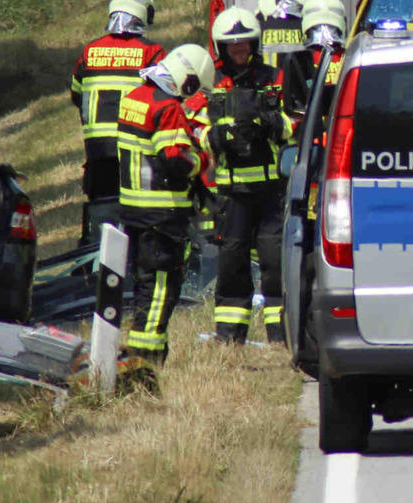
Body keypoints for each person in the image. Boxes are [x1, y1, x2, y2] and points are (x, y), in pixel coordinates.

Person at [190, 6, 295, 344]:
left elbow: (296, 122)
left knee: (274, 262)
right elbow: (193, 128)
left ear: (254, 44)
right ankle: (230, 335)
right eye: (232, 47)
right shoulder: (211, 83)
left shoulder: (274, 78)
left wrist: (271, 124)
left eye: (244, 45)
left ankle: (280, 334)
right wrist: (216, 138)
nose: (239, 52)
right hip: (232, 192)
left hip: (271, 191)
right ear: (221, 48)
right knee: (232, 264)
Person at [117, 43, 216, 364]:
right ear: (185, 79)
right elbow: (174, 158)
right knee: (162, 287)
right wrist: (201, 162)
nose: (190, 94)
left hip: (133, 209)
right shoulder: (167, 107)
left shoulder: (134, 97)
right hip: (162, 212)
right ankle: (147, 356)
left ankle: (139, 347)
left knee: (144, 283)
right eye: (192, 87)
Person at [71, 0, 166, 210]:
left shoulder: (90, 51)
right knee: (135, 213)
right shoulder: (152, 52)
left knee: (102, 213)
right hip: (134, 145)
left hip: (98, 150)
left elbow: (76, 94)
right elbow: (166, 101)